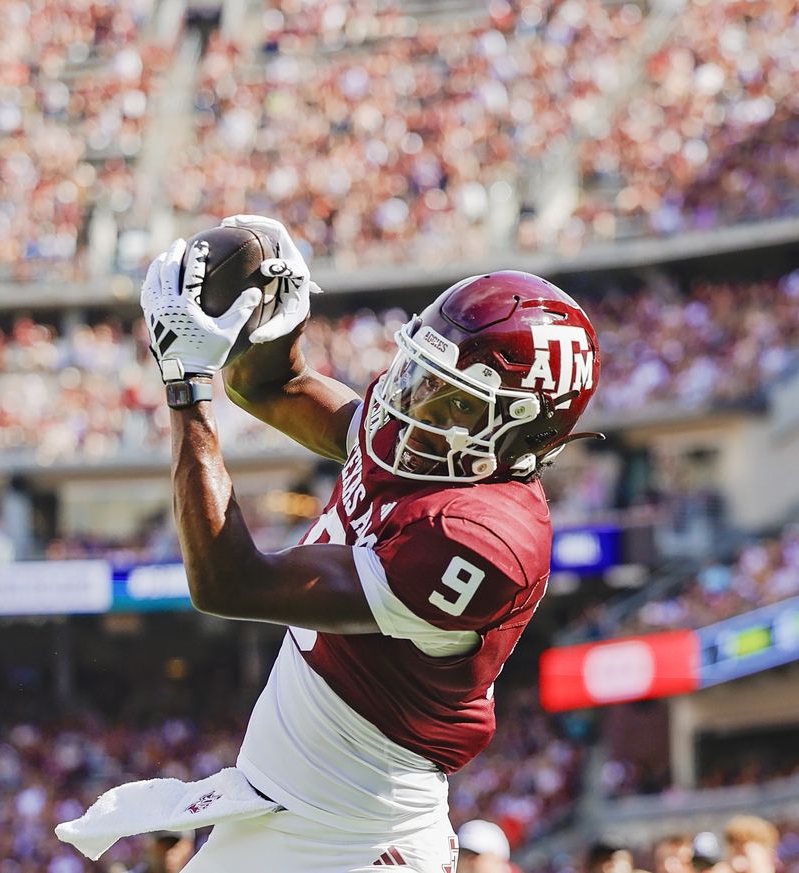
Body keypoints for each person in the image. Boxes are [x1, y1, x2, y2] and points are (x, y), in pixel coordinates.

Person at [57, 214, 603, 871]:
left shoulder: (482, 538)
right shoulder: (427, 444)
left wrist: (185, 386)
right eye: (425, 373)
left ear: (524, 432)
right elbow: (272, 384)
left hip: (357, 841)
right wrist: (276, 315)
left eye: (454, 401)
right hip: (282, 808)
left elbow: (229, 582)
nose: (416, 403)